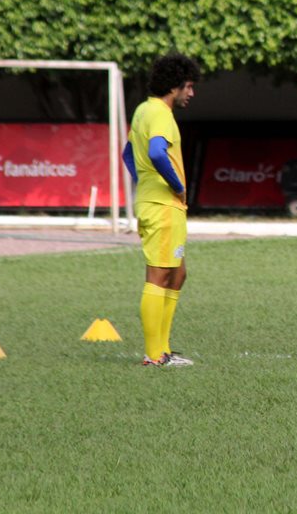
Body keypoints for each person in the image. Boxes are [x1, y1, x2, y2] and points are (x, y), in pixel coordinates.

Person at [122, 52, 201, 368]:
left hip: (155, 202)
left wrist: (145, 184)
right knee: (159, 275)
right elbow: (156, 152)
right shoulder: (161, 115)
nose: (192, 94)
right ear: (175, 87)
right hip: (164, 205)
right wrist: (176, 186)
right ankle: (155, 355)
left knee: (178, 275)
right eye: (189, 87)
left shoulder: (143, 110)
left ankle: (163, 349)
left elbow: (129, 154)